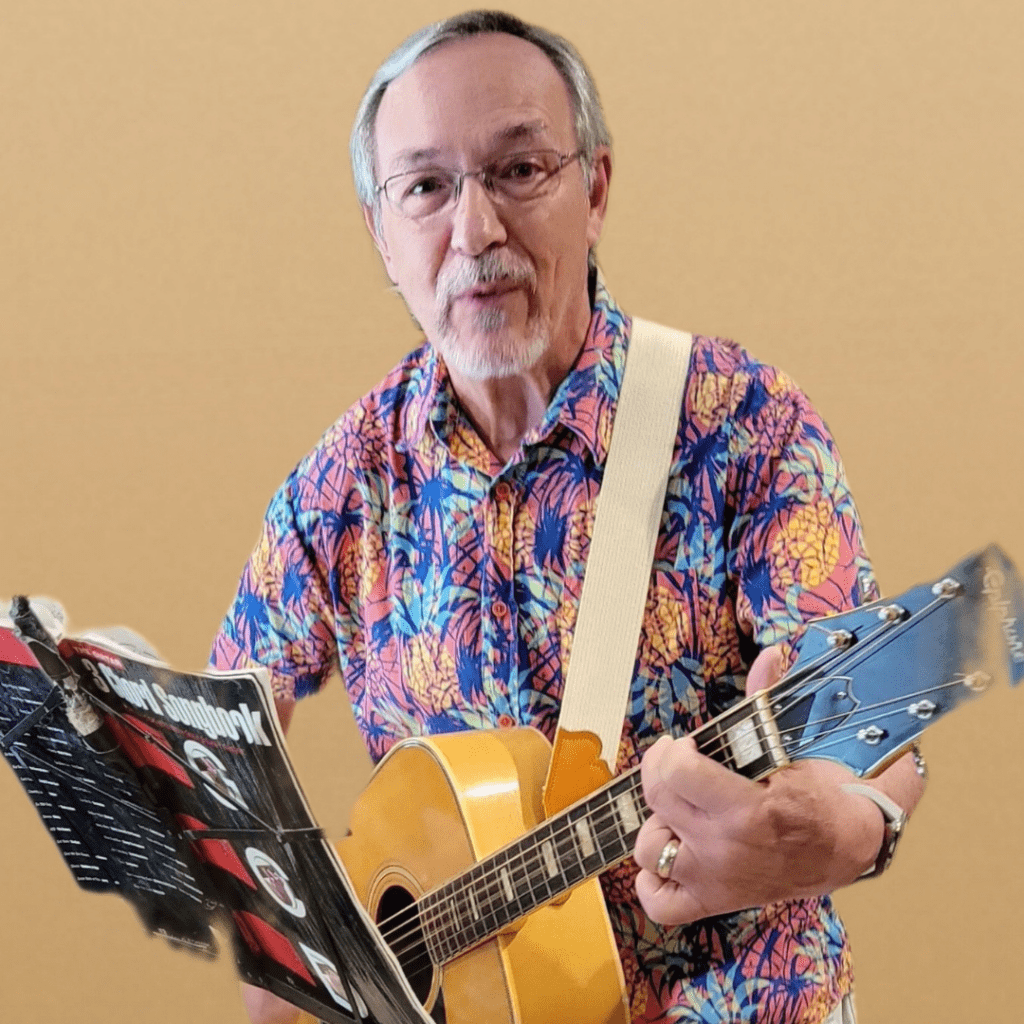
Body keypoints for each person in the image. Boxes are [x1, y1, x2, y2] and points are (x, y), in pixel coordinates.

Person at [210, 10, 925, 1024]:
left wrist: (848, 827)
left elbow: (879, 733)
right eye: (425, 188)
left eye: (518, 171)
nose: (476, 232)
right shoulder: (344, 479)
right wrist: (299, 965)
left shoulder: (742, 421)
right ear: (381, 232)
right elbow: (223, 756)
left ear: (593, 188)